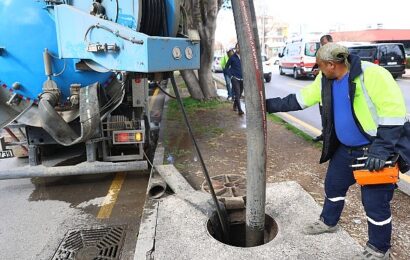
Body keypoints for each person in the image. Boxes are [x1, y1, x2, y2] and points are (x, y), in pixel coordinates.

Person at [266, 43, 409, 259]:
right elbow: (300, 100)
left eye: (321, 66)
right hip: (345, 149)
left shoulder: (373, 75)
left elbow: (394, 114)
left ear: (332, 65)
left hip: (373, 150)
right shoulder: (325, 80)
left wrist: (381, 151)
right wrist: (265, 104)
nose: (319, 69)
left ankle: (379, 249)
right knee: (333, 186)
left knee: (375, 203)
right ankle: (328, 221)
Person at [312, 34, 333, 142]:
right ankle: (324, 134)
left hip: (332, 91)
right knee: (324, 115)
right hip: (322, 91)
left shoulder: (336, 54)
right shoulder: (321, 54)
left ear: (330, 42)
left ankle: (331, 138)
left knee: (331, 117)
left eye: (324, 44)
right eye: (321, 45)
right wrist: (316, 71)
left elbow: (333, 69)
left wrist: (320, 71)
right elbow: (318, 67)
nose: (323, 46)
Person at [225, 43, 244, 116]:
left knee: (239, 94)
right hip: (235, 78)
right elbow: (226, 67)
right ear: (236, 49)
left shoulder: (243, 57)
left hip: (242, 79)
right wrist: (231, 76)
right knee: (237, 93)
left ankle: (234, 106)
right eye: (237, 48)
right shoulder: (232, 57)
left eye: (240, 48)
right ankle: (240, 110)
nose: (238, 49)